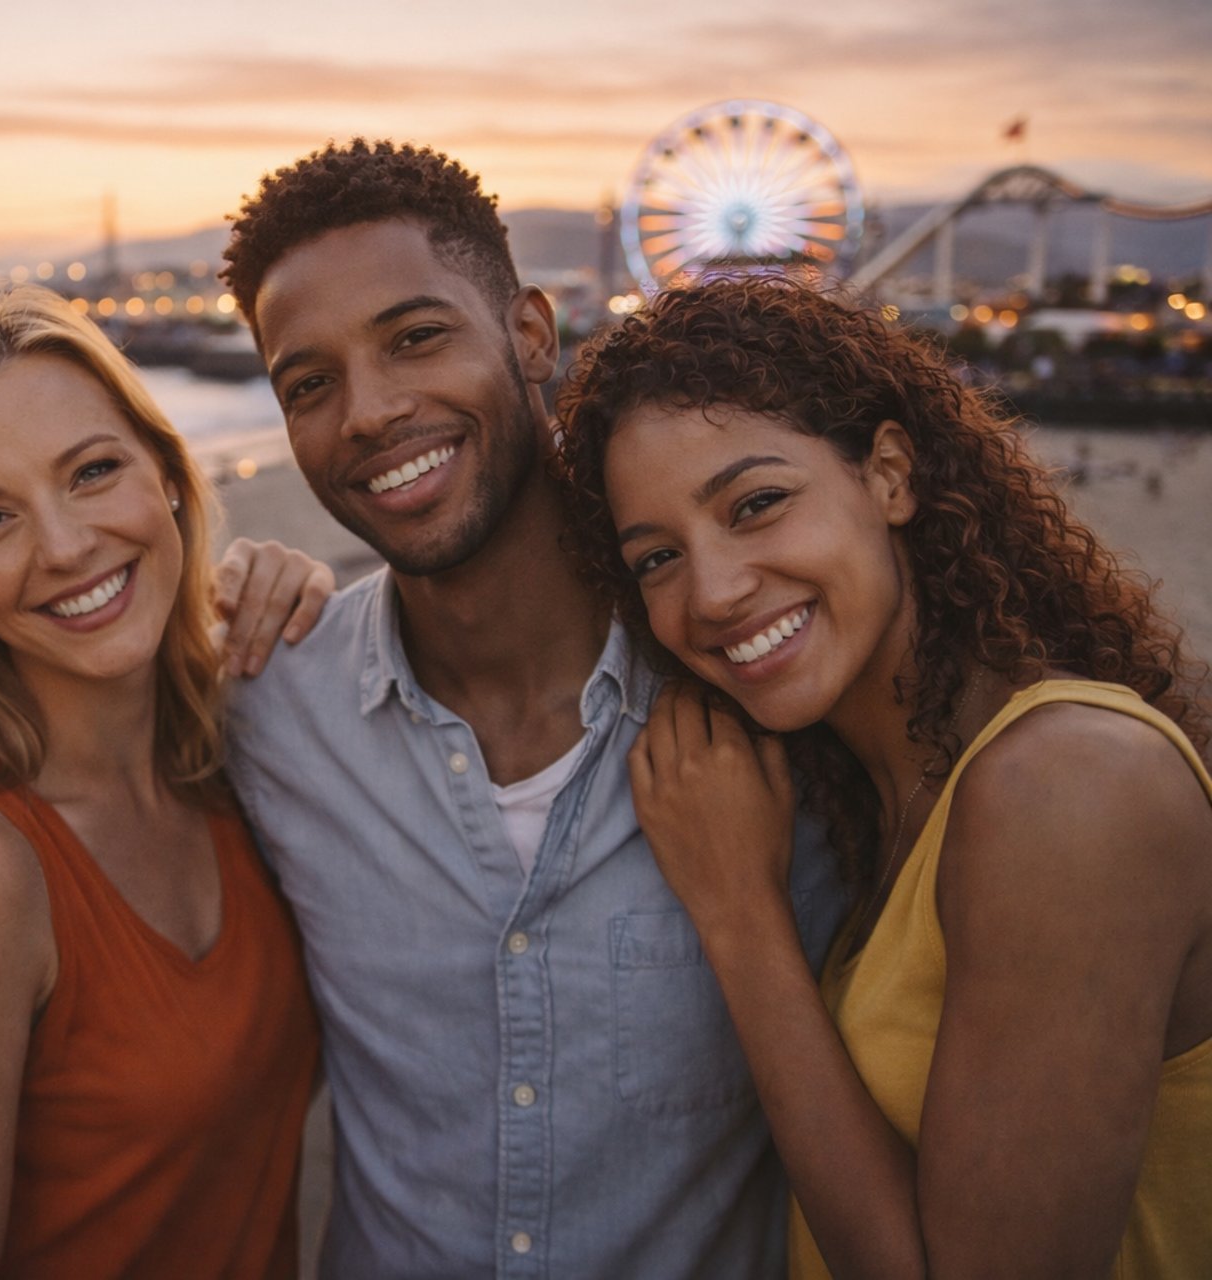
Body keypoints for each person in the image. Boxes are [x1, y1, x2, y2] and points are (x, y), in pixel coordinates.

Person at [216, 139, 848, 1276]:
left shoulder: (767, 687)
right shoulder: (268, 707)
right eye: (308, 382)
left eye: (416, 337)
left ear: (532, 334)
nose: (367, 411)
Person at [557, 277, 1212, 1278]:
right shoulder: (898, 793)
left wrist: (739, 913)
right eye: (655, 558)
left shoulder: (1070, 782)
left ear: (891, 475)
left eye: (758, 503)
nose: (715, 590)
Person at [0, 286, 325, 1279]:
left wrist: (317, 607)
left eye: (94, 471)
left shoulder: (232, 765)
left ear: (169, 478)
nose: (64, 548)